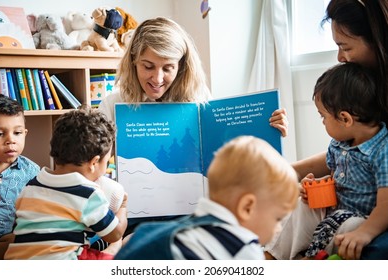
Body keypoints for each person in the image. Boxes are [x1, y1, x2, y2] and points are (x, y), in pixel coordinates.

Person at [291, 0, 388, 259]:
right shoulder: (365, 86)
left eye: (345, 47)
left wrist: (366, 230)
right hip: (348, 210)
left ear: (378, 41)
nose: (340, 57)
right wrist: (293, 172)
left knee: (368, 247)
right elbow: (350, 155)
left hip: (373, 211)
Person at [265, 62, 388, 260]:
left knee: (352, 227)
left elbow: (386, 205)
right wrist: (315, 188)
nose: (322, 122)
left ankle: (315, 257)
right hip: (332, 210)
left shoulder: (382, 150)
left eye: (323, 117)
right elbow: (333, 182)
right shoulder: (338, 144)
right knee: (301, 207)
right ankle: (272, 254)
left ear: (345, 119)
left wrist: (365, 232)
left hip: (360, 219)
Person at [114, 135, 298, 260]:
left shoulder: (157, 232)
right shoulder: (243, 249)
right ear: (247, 207)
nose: (277, 229)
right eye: (278, 219)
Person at [98, 17, 288, 135]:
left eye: (168, 68)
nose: (157, 79)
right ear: (133, 62)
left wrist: (267, 127)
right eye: (148, 66)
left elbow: (225, 140)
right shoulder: (112, 104)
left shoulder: (199, 96)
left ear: (181, 66)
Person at [4, 106, 128, 260]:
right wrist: (122, 208)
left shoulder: (30, 186)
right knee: (122, 248)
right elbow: (114, 233)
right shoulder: (89, 194)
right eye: (107, 162)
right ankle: (116, 250)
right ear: (94, 162)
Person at [0, 94, 40, 260]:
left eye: (17, 133)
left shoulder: (31, 171)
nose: (10, 140)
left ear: (25, 133)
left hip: (5, 239)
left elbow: (35, 212)